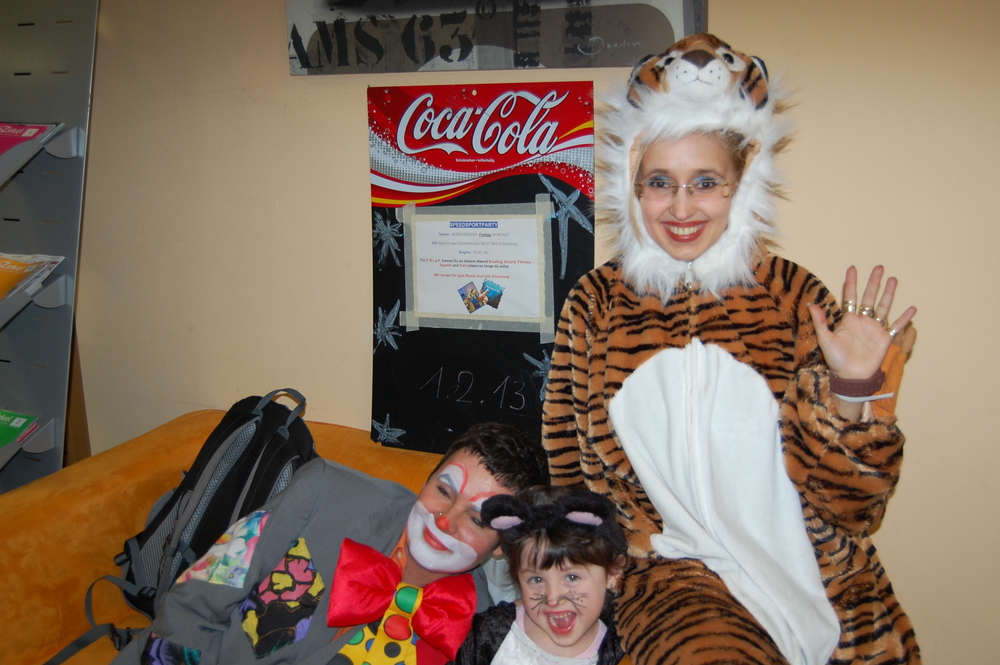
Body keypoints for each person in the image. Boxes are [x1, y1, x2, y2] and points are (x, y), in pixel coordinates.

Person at [541, 33, 920, 665]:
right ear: (631, 182)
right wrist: (598, 564)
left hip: (822, 581)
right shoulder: (595, 304)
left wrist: (854, 392)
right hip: (674, 582)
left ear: (742, 184)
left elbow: (852, 508)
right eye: (659, 182)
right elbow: (569, 473)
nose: (681, 207)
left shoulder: (795, 298)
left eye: (706, 182)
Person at [113, 422, 549, 665]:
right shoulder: (323, 493)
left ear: (500, 546)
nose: (444, 521)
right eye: (444, 491)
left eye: (477, 519)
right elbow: (195, 603)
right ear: (427, 480)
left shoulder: (477, 629)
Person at [453, 486, 627, 665]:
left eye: (572, 577)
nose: (552, 598)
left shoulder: (621, 651)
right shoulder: (492, 632)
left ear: (613, 573)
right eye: (536, 579)